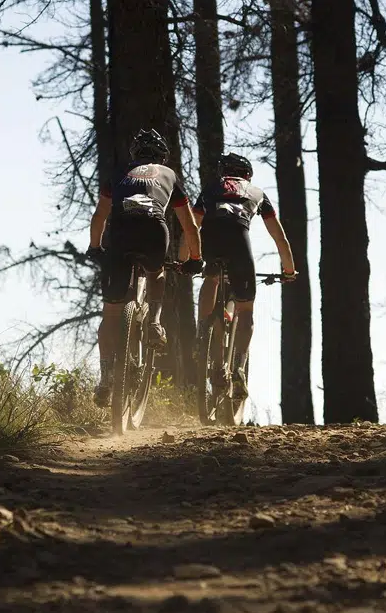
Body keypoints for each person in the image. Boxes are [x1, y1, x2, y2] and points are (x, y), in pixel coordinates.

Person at [86, 129, 203, 407]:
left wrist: (95, 248)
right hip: (153, 229)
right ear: (162, 155)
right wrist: (195, 259)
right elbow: (189, 226)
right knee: (157, 271)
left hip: (121, 232)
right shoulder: (169, 175)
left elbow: (100, 215)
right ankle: (154, 322)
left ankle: (105, 378)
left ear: (134, 155)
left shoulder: (117, 173)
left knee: (111, 313)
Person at [193, 152, 297, 402]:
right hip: (240, 244)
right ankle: (238, 366)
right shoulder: (257, 192)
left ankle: (202, 330)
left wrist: (188, 257)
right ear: (247, 174)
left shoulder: (211, 189)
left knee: (212, 279)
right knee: (246, 308)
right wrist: (289, 270)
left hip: (211, 241)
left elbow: (194, 225)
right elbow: (278, 236)